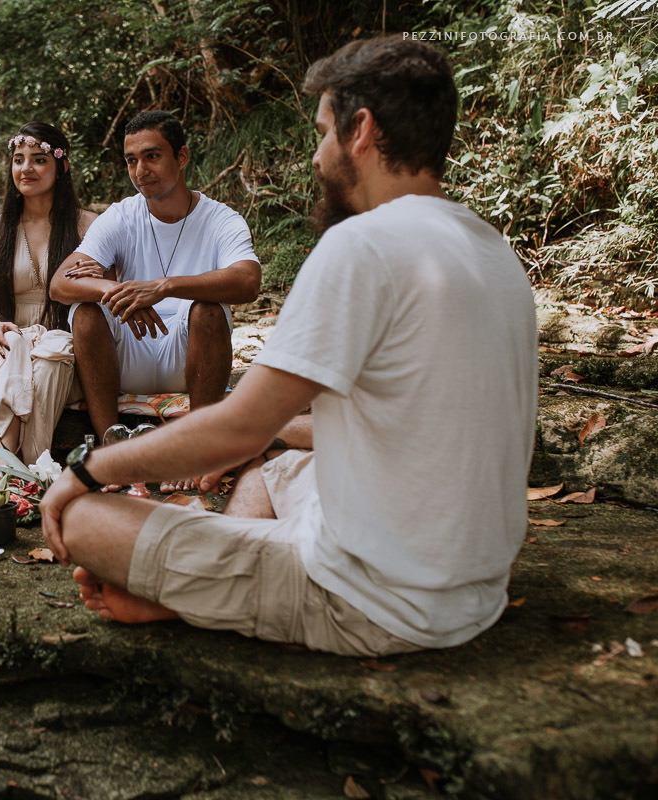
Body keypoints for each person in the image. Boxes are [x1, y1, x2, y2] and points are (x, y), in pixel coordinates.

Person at [40, 37, 538, 657]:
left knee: (84, 518)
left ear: (362, 131)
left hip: (378, 602)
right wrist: (275, 435)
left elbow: (239, 428)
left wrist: (85, 471)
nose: (316, 156)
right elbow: (402, 420)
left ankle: (188, 594)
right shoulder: (493, 250)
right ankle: (207, 578)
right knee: (277, 471)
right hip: (476, 587)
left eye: (324, 132)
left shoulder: (363, 246)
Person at [49, 110, 261, 492]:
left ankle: (198, 447)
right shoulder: (121, 216)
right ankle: (112, 449)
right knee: (84, 312)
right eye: (131, 160)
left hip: (191, 357)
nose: (140, 170)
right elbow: (60, 282)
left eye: (152, 156)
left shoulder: (220, 219)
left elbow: (248, 281)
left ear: (181, 157)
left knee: (209, 309)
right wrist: (114, 290)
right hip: (127, 354)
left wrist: (162, 287)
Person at [0, 122, 96, 468]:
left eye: (39, 160)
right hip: (2, 347)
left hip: (67, 354)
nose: (25, 169)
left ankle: (0, 468)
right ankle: (31, 468)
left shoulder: (88, 228)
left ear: (61, 166)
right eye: (18, 159)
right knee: (15, 344)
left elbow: (104, 294)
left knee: (54, 350)